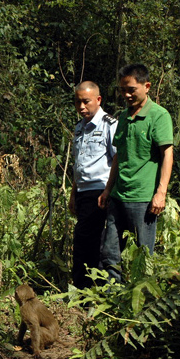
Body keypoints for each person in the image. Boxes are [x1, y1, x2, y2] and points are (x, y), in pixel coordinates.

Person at [98, 64, 173, 283]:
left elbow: (167, 155)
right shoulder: (123, 117)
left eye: (131, 89)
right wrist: (107, 190)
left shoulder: (159, 116)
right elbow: (118, 156)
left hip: (143, 198)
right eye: (123, 90)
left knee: (143, 255)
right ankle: (112, 297)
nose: (127, 95)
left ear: (146, 86)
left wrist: (161, 192)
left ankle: (142, 300)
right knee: (110, 252)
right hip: (118, 196)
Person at [69, 81, 118, 289]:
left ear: (98, 100)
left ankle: (86, 289)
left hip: (99, 192)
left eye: (86, 102)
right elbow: (78, 164)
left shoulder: (109, 125)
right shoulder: (80, 128)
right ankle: (87, 290)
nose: (81, 107)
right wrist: (73, 193)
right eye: (78, 102)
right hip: (82, 191)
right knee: (87, 242)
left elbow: (117, 159)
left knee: (87, 241)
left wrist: (108, 190)